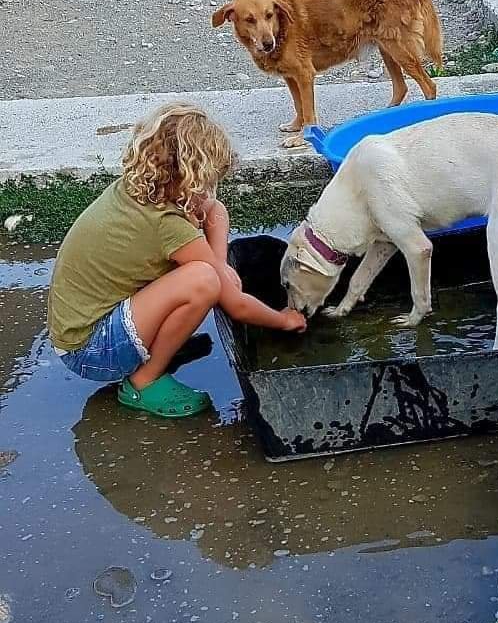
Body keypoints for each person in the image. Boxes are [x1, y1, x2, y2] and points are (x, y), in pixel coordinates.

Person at [48, 103, 306, 417]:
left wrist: (219, 264)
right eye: (205, 183)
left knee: (209, 262)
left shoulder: (141, 190)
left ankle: (156, 346)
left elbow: (215, 210)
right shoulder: (166, 225)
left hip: (83, 330)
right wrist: (284, 319)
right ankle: (143, 381)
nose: (209, 192)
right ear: (185, 179)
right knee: (202, 282)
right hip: (91, 351)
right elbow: (235, 305)